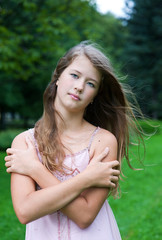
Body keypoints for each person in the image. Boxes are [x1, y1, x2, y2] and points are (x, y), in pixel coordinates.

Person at [5, 41, 143, 240]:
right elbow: (25, 211)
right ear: (58, 77)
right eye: (75, 75)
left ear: (94, 95)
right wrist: (86, 179)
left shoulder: (103, 142)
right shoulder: (25, 143)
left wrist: (35, 169)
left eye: (90, 83)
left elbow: (85, 215)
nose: (79, 87)